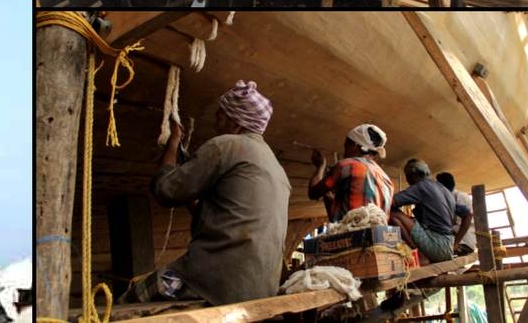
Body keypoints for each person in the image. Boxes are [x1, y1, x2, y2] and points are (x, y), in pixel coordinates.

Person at [115, 80, 291, 306]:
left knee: (126, 304)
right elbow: (226, 218)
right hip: (261, 288)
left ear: (236, 126)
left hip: (214, 280)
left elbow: (164, 191)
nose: (215, 126)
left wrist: (172, 143)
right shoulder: (278, 170)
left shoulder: (225, 146)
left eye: (219, 119)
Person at [307, 124, 394, 223]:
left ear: (354, 146)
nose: (344, 154)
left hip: (351, 233)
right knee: (330, 195)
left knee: (326, 192)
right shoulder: (386, 178)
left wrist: (321, 166)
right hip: (378, 234)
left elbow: (313, 193)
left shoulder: (345, 166)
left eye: (345, 147)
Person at [390, 160, 472, 263]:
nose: (409, 184)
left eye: (409, 180)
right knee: (411, 219)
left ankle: (419, 254)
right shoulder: (444, 189)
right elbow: (468, 214)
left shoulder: (421, 186)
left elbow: (391, 201)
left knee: (392, 212)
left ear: (413, 176)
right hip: (449, 247)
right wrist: (456, 243)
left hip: (435, 246)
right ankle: (422, 253)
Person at [435, 172, 478, 256]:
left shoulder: (459, 196)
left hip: (464, 242)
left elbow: (460, 225)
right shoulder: (449, 197)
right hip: (457, 240)